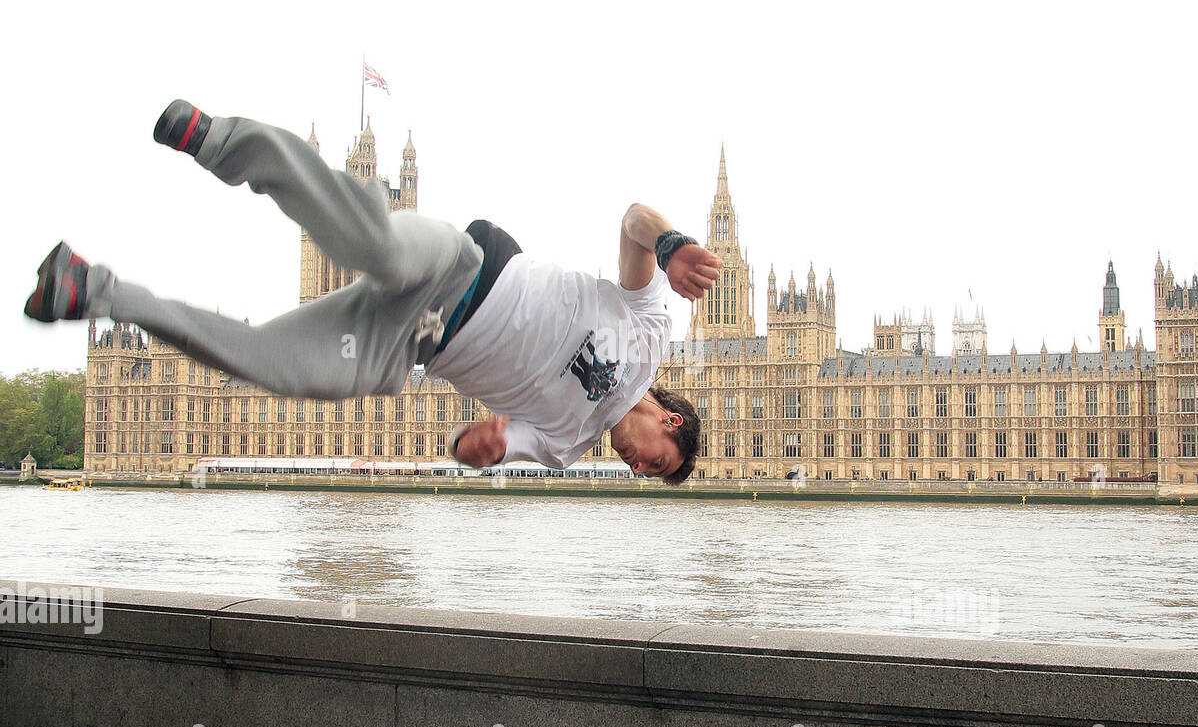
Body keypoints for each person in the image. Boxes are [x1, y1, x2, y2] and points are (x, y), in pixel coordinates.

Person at [23, 101, 721, 484]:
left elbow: (484, 443)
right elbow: (632, 220)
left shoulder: (569, 444)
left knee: (273, 363)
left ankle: (95, 288)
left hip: (410, 341)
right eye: (654, 464)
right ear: (671, 424)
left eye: (645, 476)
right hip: (460, 270)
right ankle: (220, 140)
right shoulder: (650, 329)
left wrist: (473, 447)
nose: (636, 468)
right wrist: (671, 244)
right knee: (374, 244)